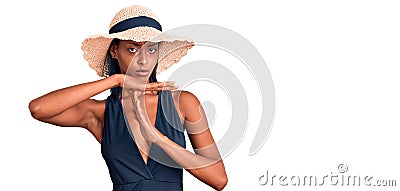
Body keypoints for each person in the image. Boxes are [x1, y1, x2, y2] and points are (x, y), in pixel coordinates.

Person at [28, 5, 228, 191]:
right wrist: (115, 80)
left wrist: (158, 138)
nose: (143, 60)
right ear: (114, 51)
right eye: (132, 49)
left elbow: (219, 179)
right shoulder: (101, 113)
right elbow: (38, 109)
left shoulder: (182, 103)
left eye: (151, 49)